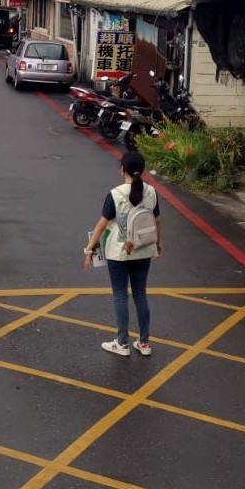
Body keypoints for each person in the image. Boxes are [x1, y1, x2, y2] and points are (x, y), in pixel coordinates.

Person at [83, 150, 163, 357]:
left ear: (122, 170)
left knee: (120, 295)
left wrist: (89, 249)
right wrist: (158, 243)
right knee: (140, 294)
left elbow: (101, 225)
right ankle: (144, 343)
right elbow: (156, 221)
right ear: (143, 170)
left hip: (119, 253)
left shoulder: (116, 194)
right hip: (144, 249)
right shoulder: (151, 192)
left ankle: (122, 344)